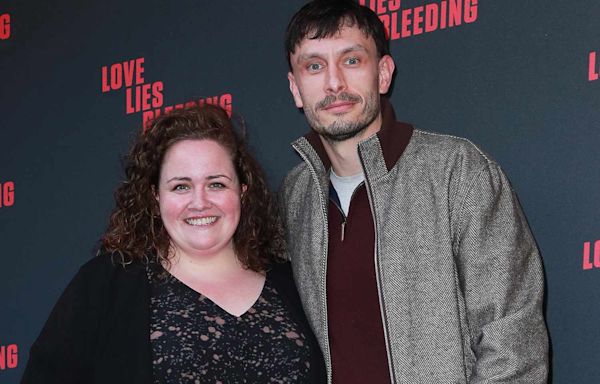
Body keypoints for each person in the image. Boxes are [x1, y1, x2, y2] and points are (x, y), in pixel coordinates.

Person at [279, 1, 549, 383]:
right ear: (296, 88)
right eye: (314, 66)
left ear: (384, 73)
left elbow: (512, 340)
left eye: (351, 60)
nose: (334, 82)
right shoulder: (295, 196)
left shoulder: (457, 171)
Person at [22, 105, 326, 383]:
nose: (200, 202)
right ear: (155, 197)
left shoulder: (294, 283)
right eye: (181, 186)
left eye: (216, 184)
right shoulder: (106, 285)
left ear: (243, 192)